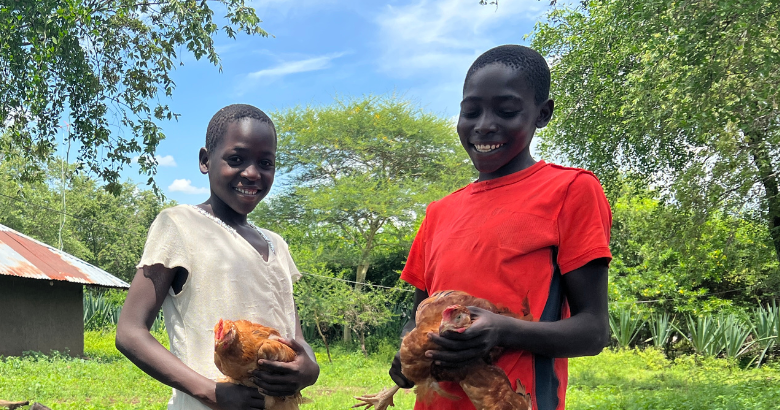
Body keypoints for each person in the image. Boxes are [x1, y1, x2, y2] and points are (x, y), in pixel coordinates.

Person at [389, 45, 612, 410]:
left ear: (543, 113)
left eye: (506, 111)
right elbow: (419, 318)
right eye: (471, 111)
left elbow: (593, 331)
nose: (484, 125)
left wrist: (502, 330)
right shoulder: (439, 212)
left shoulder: (570, 191)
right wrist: (407, 353)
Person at [116, 104, 319, 410]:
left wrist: (310, 366)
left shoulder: (276, 244)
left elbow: (294, 335)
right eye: (236, 159)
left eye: (265, 162)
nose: (252, 173)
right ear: (205, 160)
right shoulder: (179, 225)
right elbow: (130, 332)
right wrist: (211, 392)